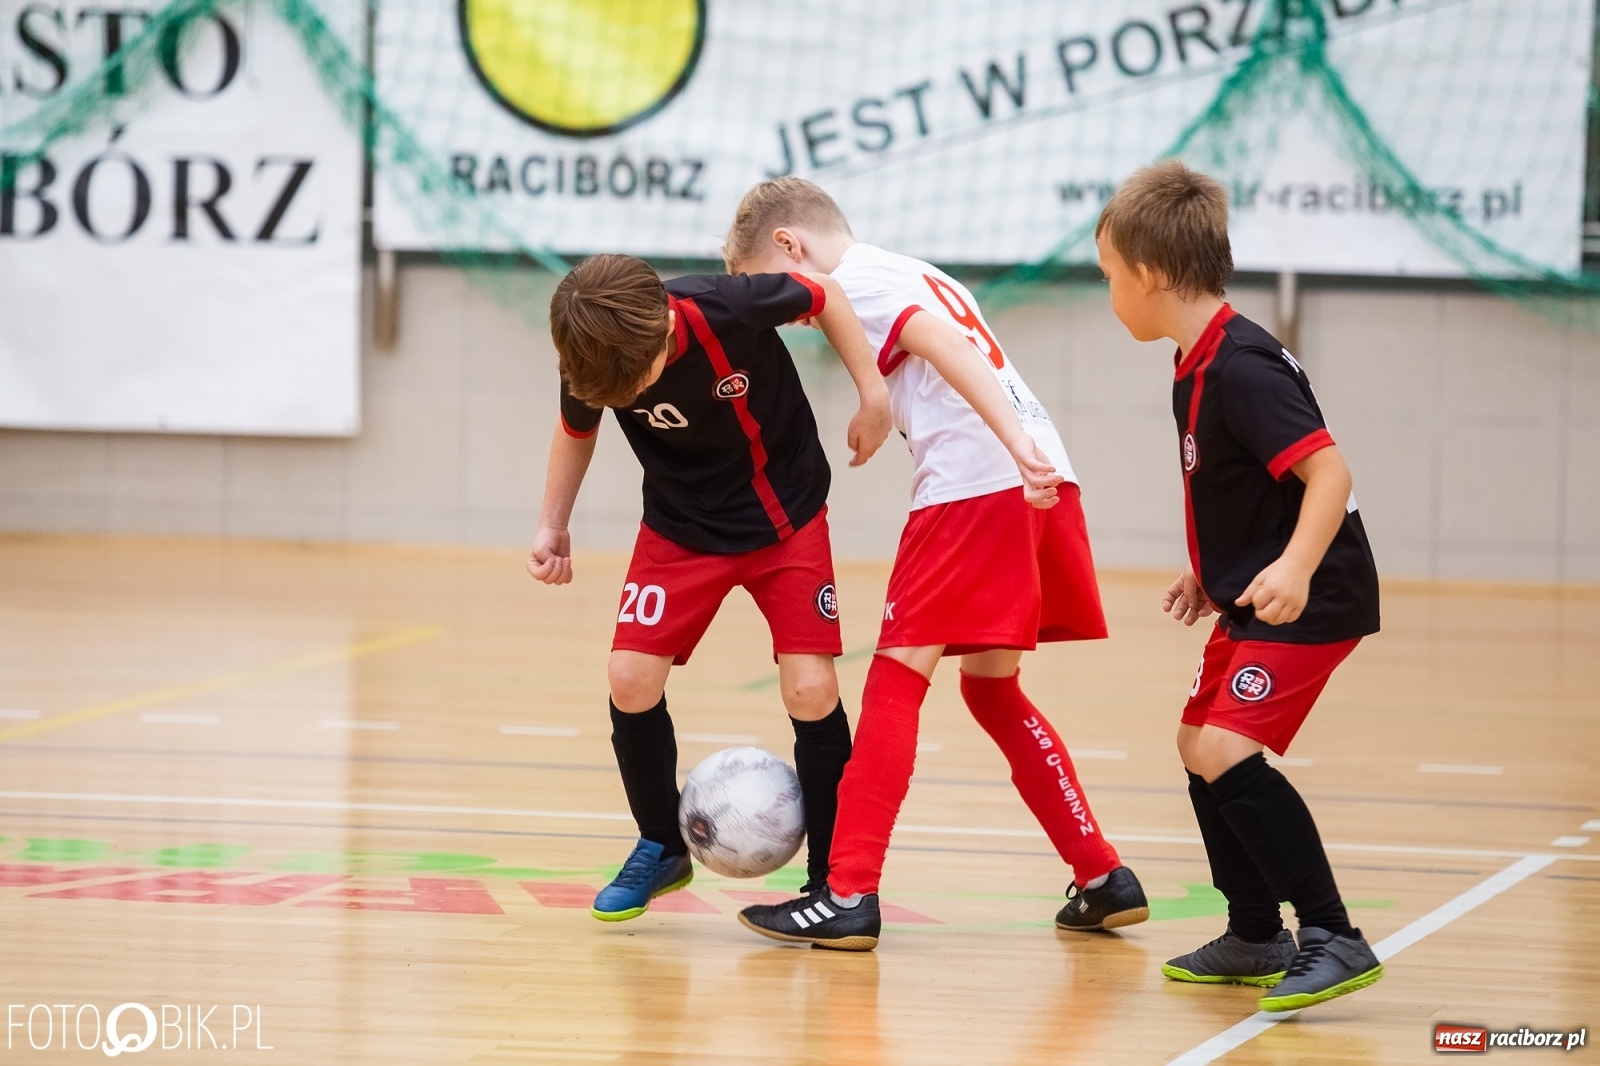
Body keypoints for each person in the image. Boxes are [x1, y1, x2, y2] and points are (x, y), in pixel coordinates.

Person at [724, 178, 1149, 951]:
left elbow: (947, 349)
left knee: (895, 680)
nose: (782, 311)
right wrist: (1025, 451)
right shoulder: (913, 269)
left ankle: (848, 892)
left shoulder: (855, 285)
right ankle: (1101, 874)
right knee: (991, 689)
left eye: (771, 288)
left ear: (791, 245)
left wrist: (1015, 450)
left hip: (979, 485)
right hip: (1040, 479)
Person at [1095, 159, 1384, 1011]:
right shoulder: (1195, 359)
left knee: (1225, 749)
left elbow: (1328, 474)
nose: (1109, 294)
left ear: (1150, 274)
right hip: (1256, 589)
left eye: (1110, 275)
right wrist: (1211, 567)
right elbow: (1245, 483)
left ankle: (1333, 934)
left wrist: (1292, 566)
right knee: (1198, 743)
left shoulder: (1241, 366)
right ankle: (1256, 932)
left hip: (1314, 592)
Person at [529, 253, 891, 921]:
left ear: (666, 327)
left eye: (635, 385)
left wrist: (873, 394)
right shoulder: (594, 352)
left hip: (784, 516)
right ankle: (662, 846)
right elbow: (576, 429)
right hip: (680, 525)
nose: (626, 399)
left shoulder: (728, 306)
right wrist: (553, 524)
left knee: (811, 689)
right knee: (629, 677)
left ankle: (831, 878)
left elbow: (825, 292)